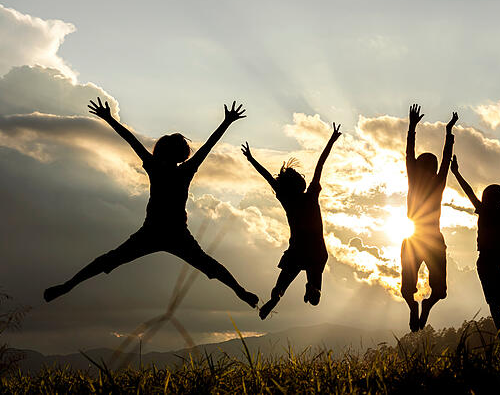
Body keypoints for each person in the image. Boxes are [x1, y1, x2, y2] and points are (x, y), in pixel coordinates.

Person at [44, 98, 259, 308]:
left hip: (157, 232)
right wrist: (226, 122)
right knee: (209, 265)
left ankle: (68, 285)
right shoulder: (184, 170)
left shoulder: (156, 166)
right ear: (182, 154)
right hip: (170, 233)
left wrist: (109, 119)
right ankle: (240, 291)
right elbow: (207, 146)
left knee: (109, 260)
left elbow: (131, 140)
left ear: (161, 151)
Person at [241, 123, 342, 320]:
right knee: (315, 297)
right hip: (316, 252)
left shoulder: (287, 199)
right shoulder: (311, 195)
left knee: (280, 287)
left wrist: (251, 158)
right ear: (300, 184)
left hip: (296, 251)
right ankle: (312, 288)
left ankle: (275, 299)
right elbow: (320, 165)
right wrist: (331, 140)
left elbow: (268, 177)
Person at [451, 149, 500, 349]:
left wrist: (456, 173)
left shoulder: (491, 211)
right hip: (494, 259)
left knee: (497, 302)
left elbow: (469, 191)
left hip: (490, 259)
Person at [402, 104, 458, 332]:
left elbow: (412, 156)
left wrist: (413, 127)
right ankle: (417, 308)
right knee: (416, 288)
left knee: (432, 290)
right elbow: (442, 160)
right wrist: (447, 133)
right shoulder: (434, 182)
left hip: (419, 238)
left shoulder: (421, 181)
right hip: (426, 238)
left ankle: (421, 307)